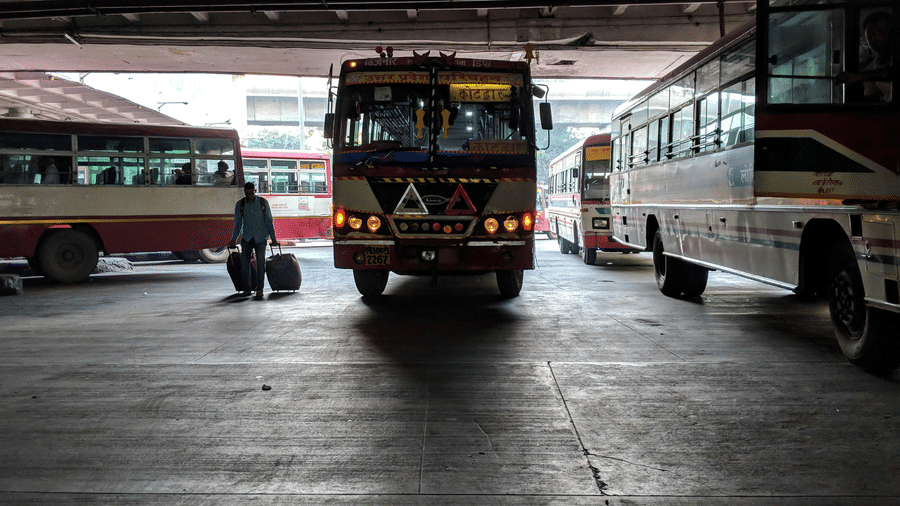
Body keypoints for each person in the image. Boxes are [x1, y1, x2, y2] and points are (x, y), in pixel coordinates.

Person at [229, 182, 278, 299]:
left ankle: (260, 289)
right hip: (246, 238)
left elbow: (269, 222)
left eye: (252, 193)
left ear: (255, 191)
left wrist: (274, 238)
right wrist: (233, 239)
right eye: (247, 194)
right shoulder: (240, 204)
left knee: (261, 264)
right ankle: (247, 289)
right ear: (245, 192)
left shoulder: (262, 203)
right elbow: (238, 224)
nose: (250, 196)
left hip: (261, 238)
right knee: (245, 266)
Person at [836, 11, 894, 103]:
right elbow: (869, 93)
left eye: (880, 30)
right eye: (869, 33)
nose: (872, 37)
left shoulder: (874, 71)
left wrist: (858, 77)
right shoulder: (874, 65)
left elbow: (891, 73)